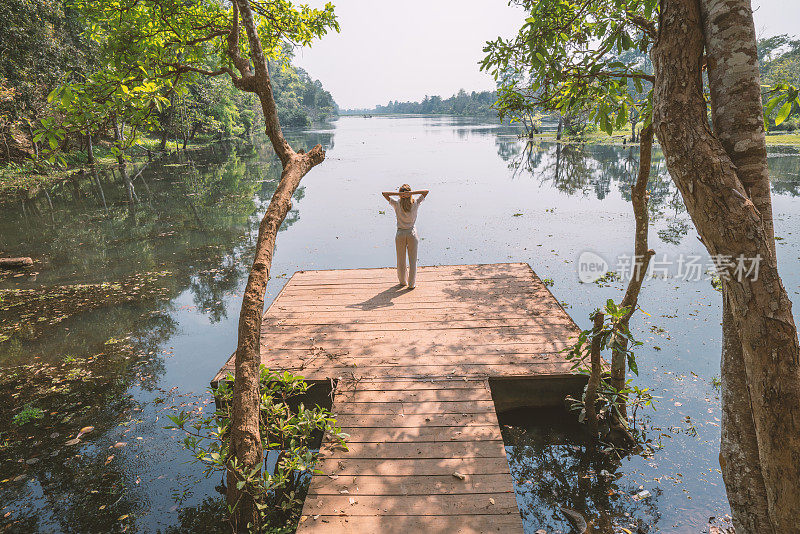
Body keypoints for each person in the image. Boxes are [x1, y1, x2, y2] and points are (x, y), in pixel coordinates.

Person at [382, 184, 429, 289]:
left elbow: (384, 194)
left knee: (401, 260)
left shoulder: (397, 204)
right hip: (412, 234)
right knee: (413, 260)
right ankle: (412, 284)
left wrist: (400, 194)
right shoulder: (415, 203)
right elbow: (426, 192)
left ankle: (403, 282)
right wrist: (410, 194)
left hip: (400, 234)